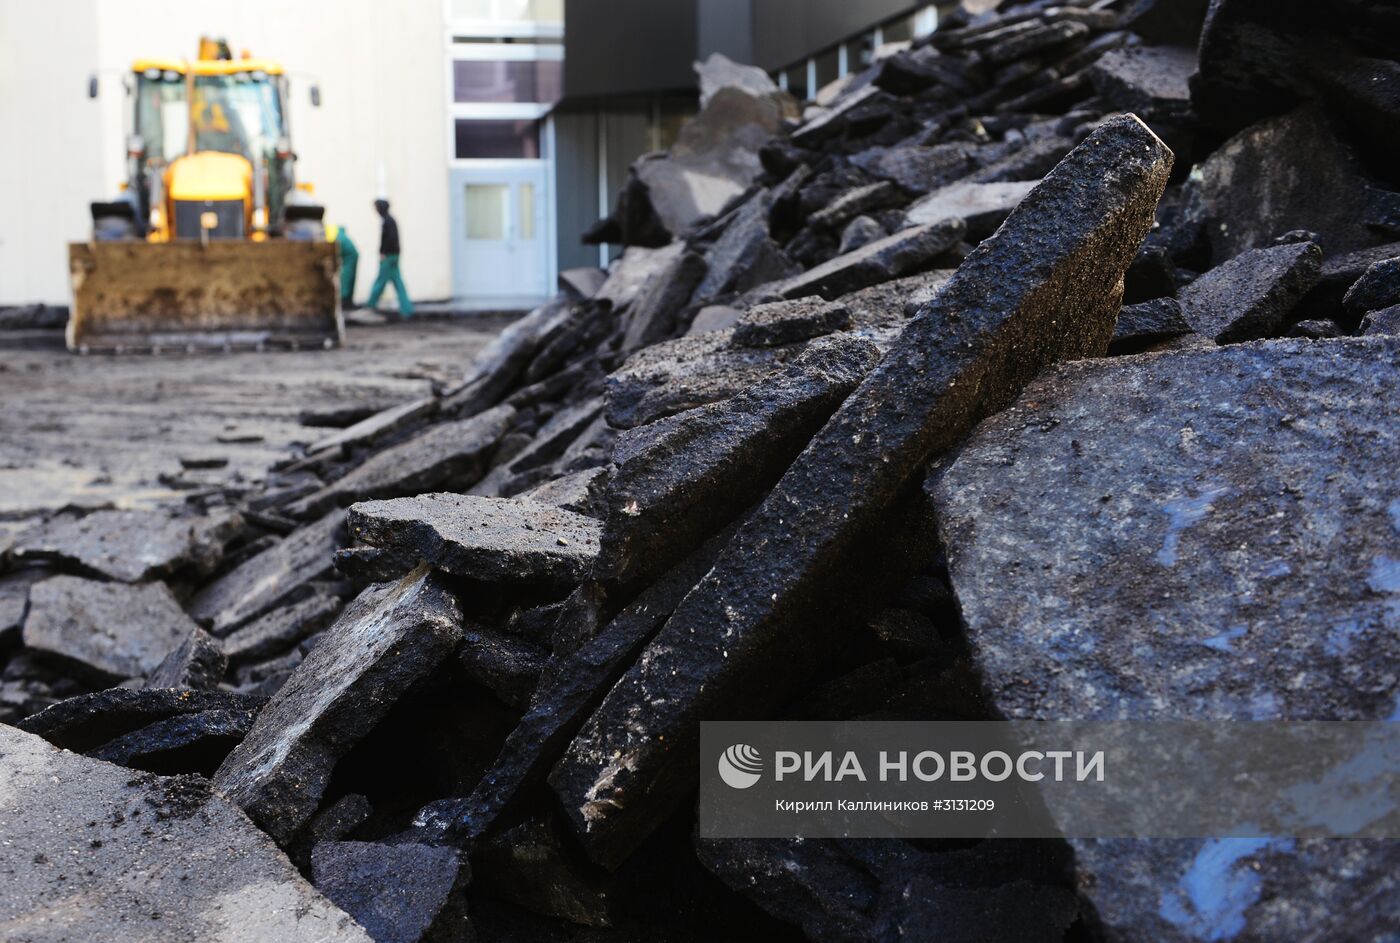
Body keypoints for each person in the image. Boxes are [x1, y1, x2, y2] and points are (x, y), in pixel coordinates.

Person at [367, 199, 413, 317]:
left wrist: (383, 253)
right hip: (394, 255)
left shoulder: (388, 221)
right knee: (398, 282)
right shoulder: (389, 220)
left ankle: (370, 305)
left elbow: (389, 239)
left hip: (389, 256)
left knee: (380, 281)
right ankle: (407, 309)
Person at [327, 224, 358, 309]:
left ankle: (345, 302)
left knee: (345, 279)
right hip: (352, 256)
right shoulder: (340, 234)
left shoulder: (336, 237)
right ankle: (347, 301)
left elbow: (333, 254)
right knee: (349, 278)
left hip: (349, 257)